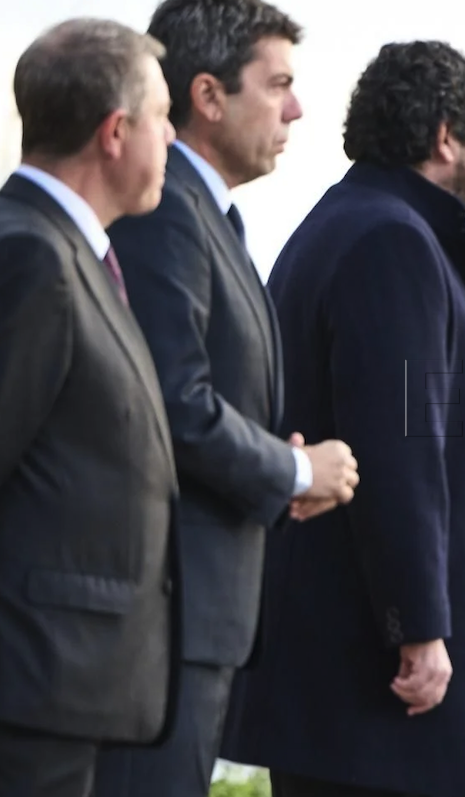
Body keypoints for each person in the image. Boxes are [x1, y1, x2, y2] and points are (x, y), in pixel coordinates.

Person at [219, 41, 465, 797]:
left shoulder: (351, 221)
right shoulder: (394, 239)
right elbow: (400, 448)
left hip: (351, 680)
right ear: (444, 137)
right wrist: (418, 626)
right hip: (377, 684)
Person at [93, 3, 358, 794]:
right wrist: (293, 471)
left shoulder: (209, 214)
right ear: (207, 96)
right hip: (162, 615)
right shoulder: (165, 208)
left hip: (201, 616)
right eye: (277, 84)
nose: (296, 108)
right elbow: (172, 402)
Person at [0, 18, 177, 797]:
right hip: (32, 690)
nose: (171, 138)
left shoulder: (76, 255)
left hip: (72, 691)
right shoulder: (31, 254)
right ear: (115, 132)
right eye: (164, 117)